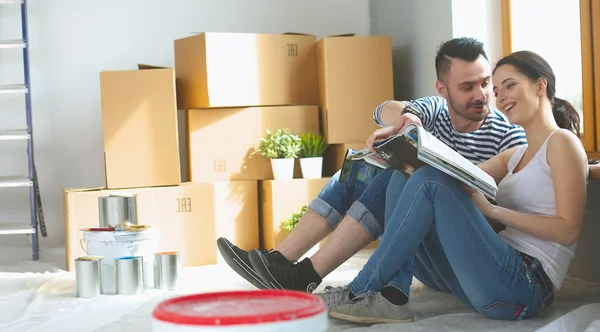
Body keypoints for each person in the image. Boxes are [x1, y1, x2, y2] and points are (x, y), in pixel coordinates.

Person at [252, 50, 589, 324]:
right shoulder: (515, 154)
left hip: (525, 286)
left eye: (508, 86)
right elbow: (461, 178)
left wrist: (492, 209)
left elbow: (568, 230)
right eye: (497, 90)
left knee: (427, 181)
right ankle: (392, 295)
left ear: (541, 85)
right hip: (489, 277)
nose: (499, 97)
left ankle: (362, 289)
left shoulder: (562, 143)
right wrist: (408, 155)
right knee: (407, 176)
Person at [217, 37, 527, 301]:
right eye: (468, 86)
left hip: (455, 261)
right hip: (417, 248)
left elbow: (498, 216)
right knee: (359, 170)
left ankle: (302, 275)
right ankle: (280, 261)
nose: (482, 94)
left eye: (486, 82)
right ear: (443, 90)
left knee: (395, 177)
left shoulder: (509, 134)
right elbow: (382, 109)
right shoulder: (435, 110)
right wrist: (409, 118)